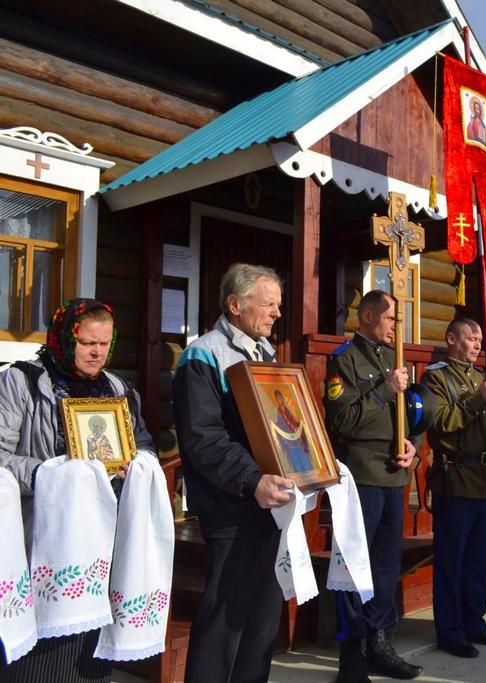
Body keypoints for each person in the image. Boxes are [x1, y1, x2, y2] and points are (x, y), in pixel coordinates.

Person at [0, 298, 155, 682]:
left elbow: (143, 445)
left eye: (104, 343)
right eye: (88, 343)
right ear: (64, 338)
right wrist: (52, 474)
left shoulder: (117, 388)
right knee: (38, 661)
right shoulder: (20, 381)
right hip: (40, 540)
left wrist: (137, 466)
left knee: (88, 653)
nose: (97, 352)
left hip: (102, 542)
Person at [172, 263, 293, 683]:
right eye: (269, 304)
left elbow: (284, 429)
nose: (278, 313)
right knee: (225, 623)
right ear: (235, 304)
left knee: (261, 626)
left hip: (272, 505)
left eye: (279, 303)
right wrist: (251, 480)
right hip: (233, 507)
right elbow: (202, 438)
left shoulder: (268, 354)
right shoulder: (203, 354)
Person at [324, 290, 425, 682]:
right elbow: (344, 420)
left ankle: (380, 643)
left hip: (393, 474)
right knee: (353, 565)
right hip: (360, 476)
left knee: (385, 565)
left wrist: (411, 446)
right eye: (390, 320)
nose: (395, 328)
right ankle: (351, 652)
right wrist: (384, 388)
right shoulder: (345, 360)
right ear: (366, 316)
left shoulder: (393, 359)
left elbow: (413, 415)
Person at [421, 318, 486, 658]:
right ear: (452, 339)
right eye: (471, 338)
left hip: (484, 480)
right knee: (453, 560)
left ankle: (474, 621)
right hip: (456, 478)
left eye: (480, 339)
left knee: (477, 559)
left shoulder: (480, 377)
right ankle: (450, 630)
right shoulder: (436, 377)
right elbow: (442, 423)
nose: (478, 344)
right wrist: (478, 399)